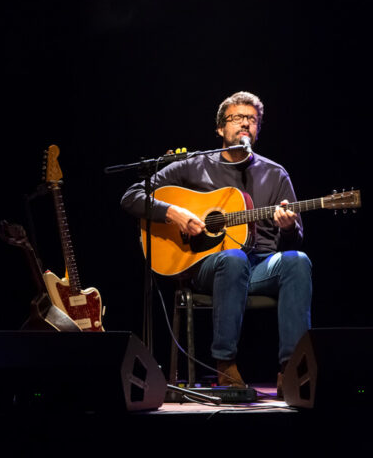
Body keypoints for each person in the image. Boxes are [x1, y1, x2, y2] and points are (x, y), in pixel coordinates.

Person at [121, 91, 312, 395]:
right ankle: (225, 366)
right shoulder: (195, 165)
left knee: (299, 262)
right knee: (233, 258)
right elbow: (131, 197)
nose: (245, 124)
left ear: (258, 129)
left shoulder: (275, 174)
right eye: (237, 118)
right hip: (208, 265)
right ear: (221, 129)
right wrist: (174, 213)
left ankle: (292, 370)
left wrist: (287, 228)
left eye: (252, 119)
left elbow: (295, 238)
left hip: (261, 265)